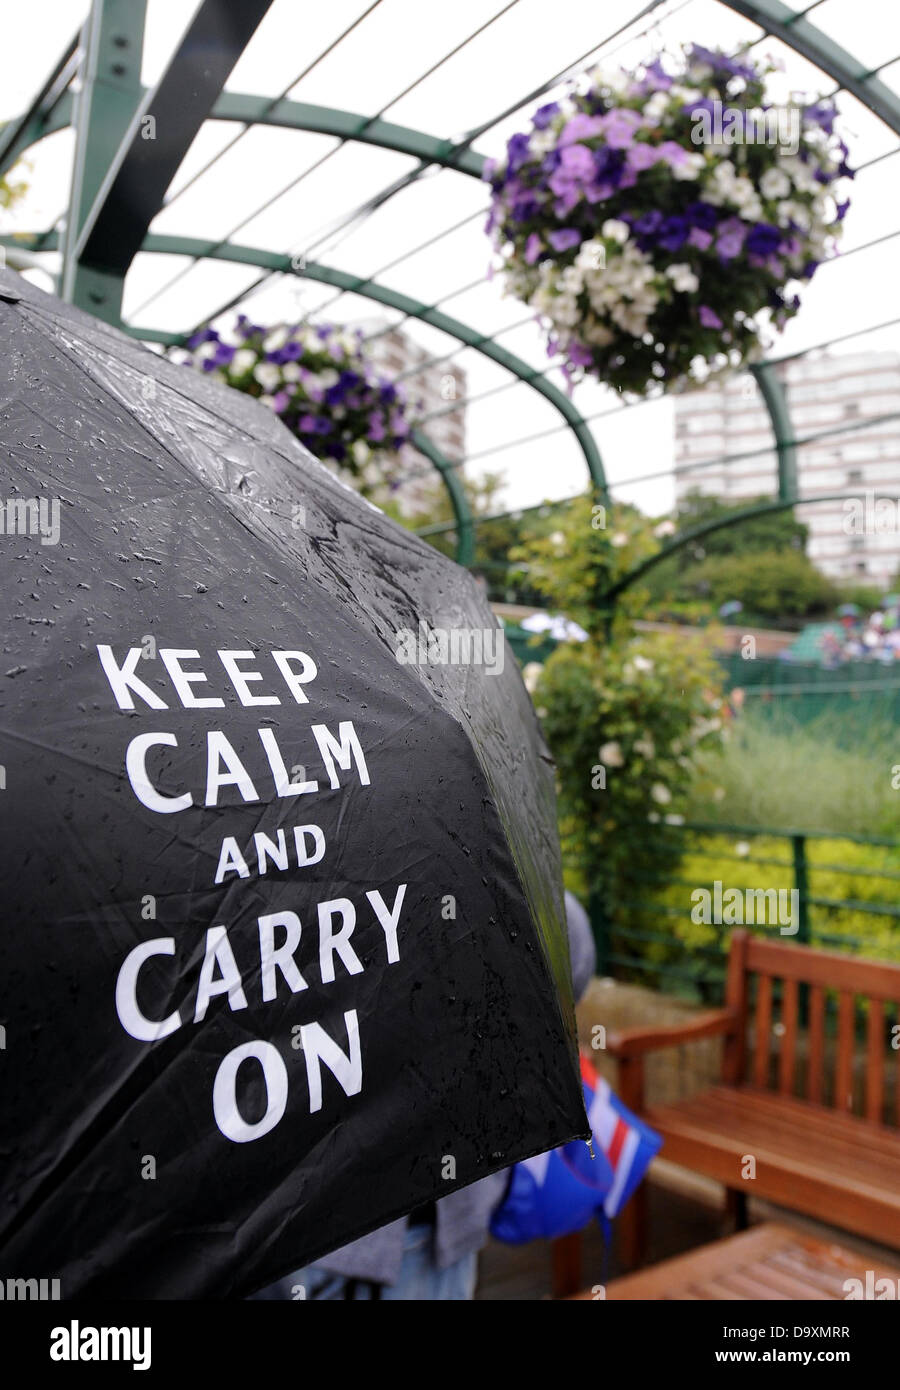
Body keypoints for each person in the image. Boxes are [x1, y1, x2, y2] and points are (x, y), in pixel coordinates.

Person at [251, 890, 596, 1300]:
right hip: (408, 1225)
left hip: (265, 1209)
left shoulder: (253, 856)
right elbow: (566, 951)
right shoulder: (452, 854)